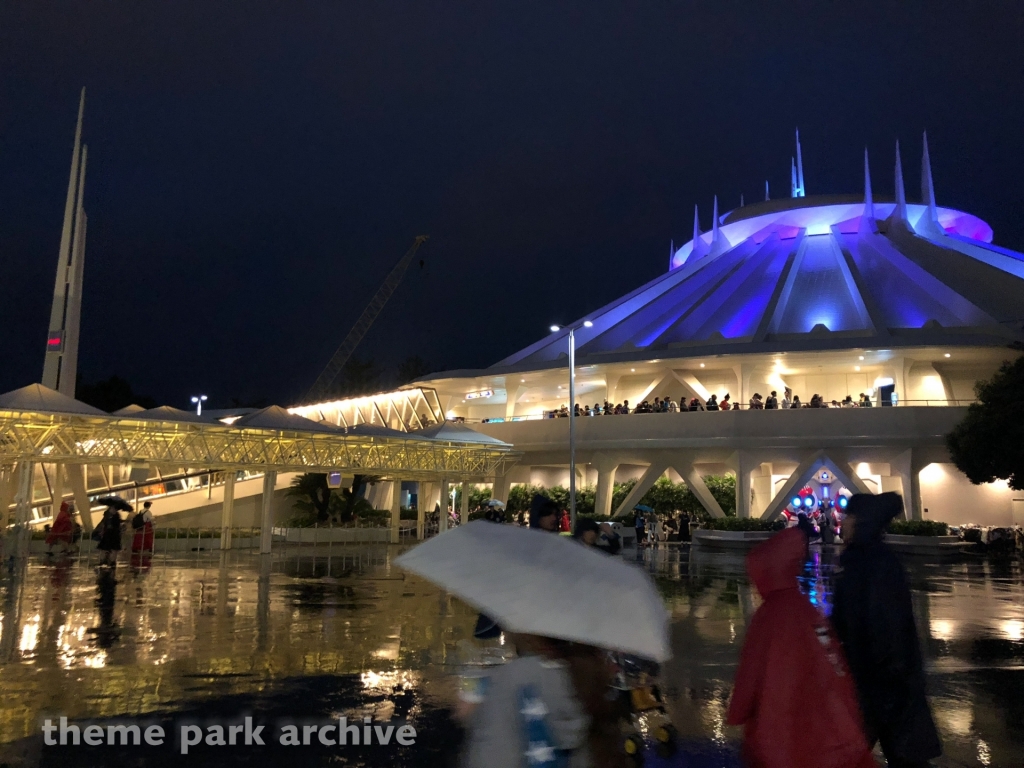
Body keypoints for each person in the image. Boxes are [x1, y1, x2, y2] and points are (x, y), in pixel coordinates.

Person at [727, 528, 876, 768]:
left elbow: (751, 670)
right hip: (819, 727)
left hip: (778, 727)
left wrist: (738, 711)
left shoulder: (768, 616)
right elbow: (832, 661)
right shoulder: (806, 609)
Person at [831, 493, 942, 767]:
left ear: (862, 522)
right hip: (883, 682)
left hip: (882, 684)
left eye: (849, 518)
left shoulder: (869, 564)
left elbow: (883, 627)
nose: (842, 524)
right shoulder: (867, 560)